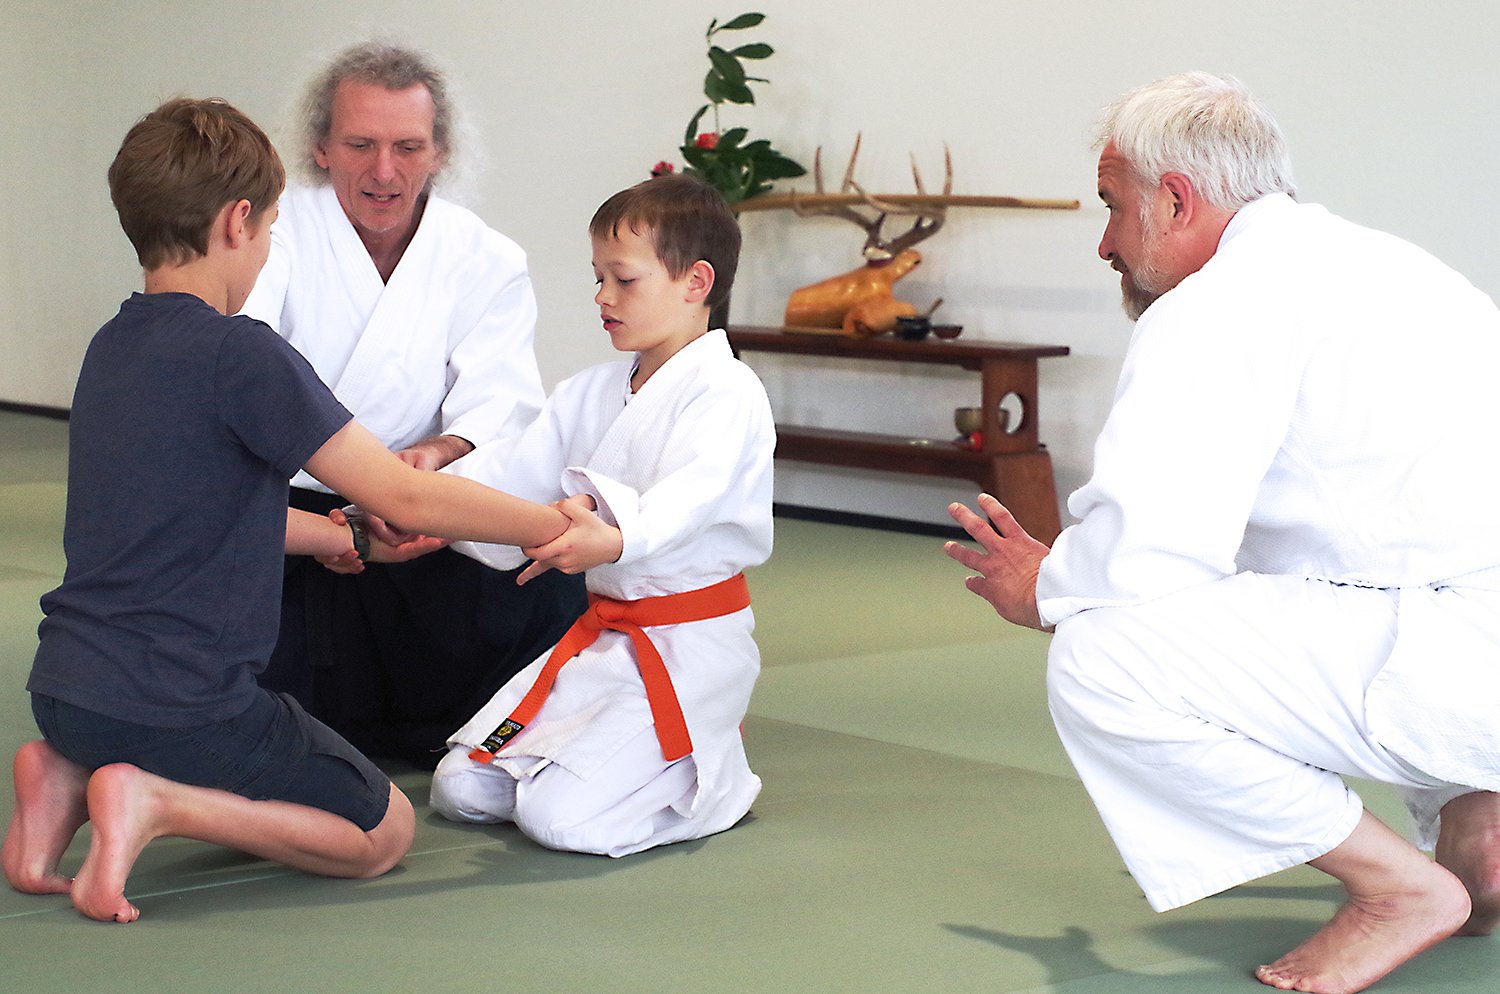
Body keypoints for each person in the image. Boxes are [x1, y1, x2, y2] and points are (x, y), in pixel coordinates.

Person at [943, 72, 1500, 994]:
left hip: (1456, 654)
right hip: (1470, 633)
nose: (1105, 243)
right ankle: (1477, 837)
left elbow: (1148, 558)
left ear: (1174, 198)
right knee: (1359, 581)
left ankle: (1399, 889)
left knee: (1102, 657)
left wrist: (1044, 591)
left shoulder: (1219, 303)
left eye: (1115, 209)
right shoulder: (1394, 265)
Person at [0, 98, 574, 924]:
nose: (269, 246)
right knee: (383, 830)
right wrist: (554, 526)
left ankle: (58, 781)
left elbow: (200, 511)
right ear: (238, 222)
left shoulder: (112, 346)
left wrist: (343, 541)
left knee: (139, 728)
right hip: (179, 708)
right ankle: (157, 805)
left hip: (64, 692)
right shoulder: (242, 353)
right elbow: (403, 492)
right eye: (269, 229)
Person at [239, 42, 585, 766]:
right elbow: (249, 378)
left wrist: (439, 462)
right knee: (231, 628)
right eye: (360, 144)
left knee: (550, 579)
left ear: (441, 153)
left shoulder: (486, 257)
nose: (384, 170)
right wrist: (356, 503)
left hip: (425, 511)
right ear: (320, 149)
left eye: (407, 146)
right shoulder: (271, 238)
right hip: (301, 511)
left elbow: (502, 406)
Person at [425, 174, 775, 856]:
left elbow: (689, 497)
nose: (601, 299)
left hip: (688, 648)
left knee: (561, 822)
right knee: (460, 789)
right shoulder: (590, 392)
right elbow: (508, 475)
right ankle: (613, 762)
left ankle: (718, 779)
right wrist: (415, 511)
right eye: (598, 279)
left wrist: (615, 538)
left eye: (623, 280)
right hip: (605, 639)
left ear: (695, 281)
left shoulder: (728, 392)